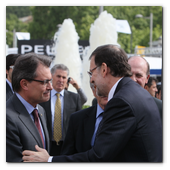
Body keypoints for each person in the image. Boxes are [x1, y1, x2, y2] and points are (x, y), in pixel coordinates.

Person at [22, 44, 162, 162]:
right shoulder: (136, 93)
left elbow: (99, 156)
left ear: (104, 69)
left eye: (92, 73)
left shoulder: (121, 101)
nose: (92, 80)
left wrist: (49, 160)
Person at [6, 53, 52, 162]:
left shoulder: (40, 110)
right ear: (24, 84)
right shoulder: (7, 118)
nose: (50, 87)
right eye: (45, 82)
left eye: (50, 81)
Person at [39, 64, 82, 156]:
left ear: (67, 80)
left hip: (67, 145)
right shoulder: (42, 97)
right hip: (47, 145)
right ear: (52, 77)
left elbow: (79, 124)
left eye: (64, 77)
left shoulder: (75, 98)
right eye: (58, 76)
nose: (61, 80)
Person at [60, 83, 108, 155]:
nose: (105, 92)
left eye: (108, 88)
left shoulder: (126, 117)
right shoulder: (77, 119)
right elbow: (67, 154)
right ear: (93, 91)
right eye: (100, 88)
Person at [128, 56, 162, 121]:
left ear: (147, 78)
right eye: (129, 74)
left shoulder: (159, 108)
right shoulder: (111, 105)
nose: (133, 79)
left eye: (138, 75)